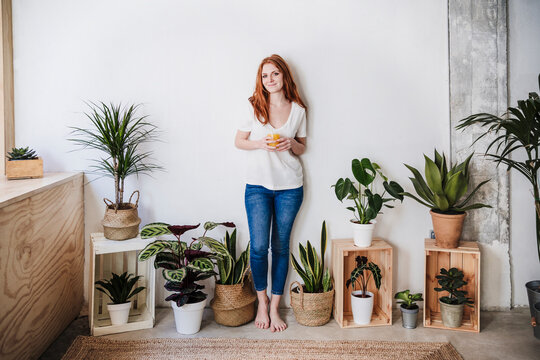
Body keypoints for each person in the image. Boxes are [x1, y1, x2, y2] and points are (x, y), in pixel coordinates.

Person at [234, 54, 307, 332]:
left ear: (284, 76)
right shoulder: (254, 106)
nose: (270, 80)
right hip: (257, 187)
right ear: (260, 80)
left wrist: (290, 143)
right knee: (259, 247)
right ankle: (261, 302)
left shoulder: (298, 109)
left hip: (290, 187)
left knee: (280, 248)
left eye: (274, 74)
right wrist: (260, 144)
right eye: (265, 76)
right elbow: (239, 141)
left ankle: (275, 308)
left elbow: (302, 147)